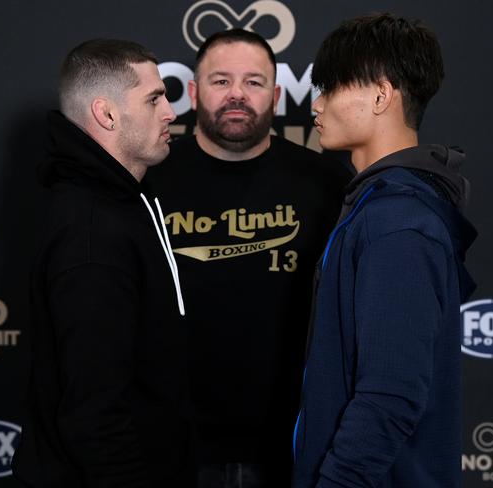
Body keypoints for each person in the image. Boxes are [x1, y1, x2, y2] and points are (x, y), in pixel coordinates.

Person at [146, 29, 351, 488]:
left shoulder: (325, 182)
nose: (237, 94)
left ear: (276, 95)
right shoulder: (149, 181)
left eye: (254, 83)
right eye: (221, 81)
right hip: (171, 447)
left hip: (292, 445)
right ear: (194, 92)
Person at [292, 14, 477, 488]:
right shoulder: (382, 207)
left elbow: (391, 396)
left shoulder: (395, 221)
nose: (316, 104)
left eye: (330, 87)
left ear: (380, 94)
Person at [12, 39, 191, 487]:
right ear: (106, 114)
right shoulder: (92, 233)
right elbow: (94, 415)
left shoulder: (122, 203)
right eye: (154, 98)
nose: (170, 113)